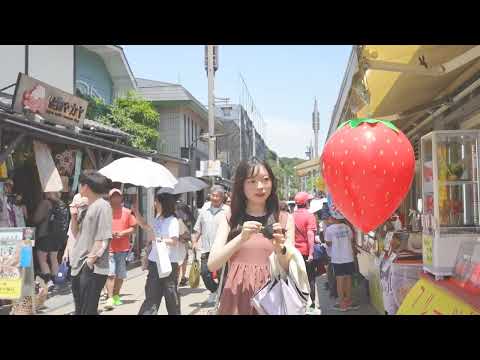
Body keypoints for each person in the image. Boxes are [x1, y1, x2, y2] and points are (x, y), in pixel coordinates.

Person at [207, 160, 310, 315]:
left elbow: (289, 267)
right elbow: (212, 264)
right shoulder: (230, 217)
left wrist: (279, 247)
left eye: (265, 180)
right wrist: (241, 238)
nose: (260, 186)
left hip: (271, 298)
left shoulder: (284, 218)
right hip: (236, 296)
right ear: (241, 185)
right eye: (252, 181)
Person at [69, 171, 113, 315]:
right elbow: (76, 234)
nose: (78, 189)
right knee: (80, 310)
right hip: (78, 264)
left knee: (87, 310)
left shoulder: (103, 206)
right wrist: (74, 215)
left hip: (92, 267)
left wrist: (90, 262)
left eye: (80, 185)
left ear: (86, 187)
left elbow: (103, 238)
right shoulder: (87, 206)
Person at [134, 192, 182, 315]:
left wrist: (158, 239)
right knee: (151, 296)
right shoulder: (157, 218)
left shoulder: (173, 221)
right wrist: (136, 213)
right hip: (154, 263)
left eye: (157, 201)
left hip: (168, 264)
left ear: (163, 204)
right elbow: (146, 227)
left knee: (171, 298)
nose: (155, 204)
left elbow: (174, 241)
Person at [191, 185, 230, 303]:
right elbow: (199, 227)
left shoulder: (228, 210)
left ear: (222, 197)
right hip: (206, 249)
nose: (215, 198)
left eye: (217, 196)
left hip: (222, 249)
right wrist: (194, 241)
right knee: (204, 272)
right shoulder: (204, 208)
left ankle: (222, 299)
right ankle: (215, 290)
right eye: (213, 195)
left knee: (222, 275)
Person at [104, 188, 137, 310]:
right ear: (110, 198)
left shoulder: (127, 212)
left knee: (120, 274)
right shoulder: (105, 212)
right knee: (110, 273)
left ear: (121, 198)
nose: (116, 198)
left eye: (118, 196)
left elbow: (133, 227)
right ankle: (110, 297)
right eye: (113, 196)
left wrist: (122, 233)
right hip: (109, 247)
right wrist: (109, 233)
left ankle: (116, 296)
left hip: (123, 248)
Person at [324, 208, 359, 312]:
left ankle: (342, 303)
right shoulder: (347, 228)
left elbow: (328, 242)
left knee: (339, 280)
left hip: (337, 258)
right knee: (348, 279)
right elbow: (351, 239)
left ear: (333, 217)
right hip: (348, 257)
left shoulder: (330, 229)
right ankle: (348, 300)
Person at [32, 192, 69, 291]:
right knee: (54, 258)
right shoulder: (61, 203)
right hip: (57, 235)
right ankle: (57, 281)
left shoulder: (45, 203)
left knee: (42, 257)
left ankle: (48, 281)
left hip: (46, 234)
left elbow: (36, 219)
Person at [293, 191, 321, 315]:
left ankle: (299, 304)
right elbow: (310, 236)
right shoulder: (310, 216)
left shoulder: (291, 216)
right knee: (310, 278)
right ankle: (312, 304)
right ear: (306, 202)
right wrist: (311, 253)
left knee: (297, 278)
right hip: (305, 252)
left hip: (293, 252)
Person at [175, 202, 194, 287]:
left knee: (180, 262)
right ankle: (181, 278)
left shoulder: (178, 219)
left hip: (179, 244)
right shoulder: (188, 218)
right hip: (181, 243)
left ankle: (179, 280)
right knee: (182, 261)